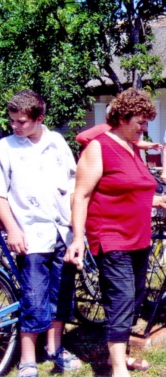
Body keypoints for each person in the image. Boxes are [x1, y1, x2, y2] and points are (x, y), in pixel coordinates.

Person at [65, 88, 166, 377]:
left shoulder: (131, 147)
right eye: (140, 122)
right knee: (120, 298)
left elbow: (128, 189)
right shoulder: (99, 147)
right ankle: (118, 368)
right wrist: (79, 238)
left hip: (139, 238)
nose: (144, 129)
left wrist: (158, 200)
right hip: (111, 237)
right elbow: (80, 195)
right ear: (122, 117)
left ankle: (119, 355)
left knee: (135, 297)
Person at [0, 90, 82, 377]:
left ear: (40, 119)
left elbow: (74, 188)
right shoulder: (6, 148)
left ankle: (55, 348)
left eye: (21, 121)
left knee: (61, 295)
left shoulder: (57, 142)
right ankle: (27, 359)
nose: (15, 126)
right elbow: (0, 196)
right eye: (12, 121)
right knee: (34, 298)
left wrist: (77, 231)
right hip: (30, 235)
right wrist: (12, 229)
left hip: (63, 232)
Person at [76, 122, 163, 151]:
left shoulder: (125, 131)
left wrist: (151, 145)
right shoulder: (103, 127)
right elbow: (81, 137)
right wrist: (98, 148)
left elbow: (137, 142)